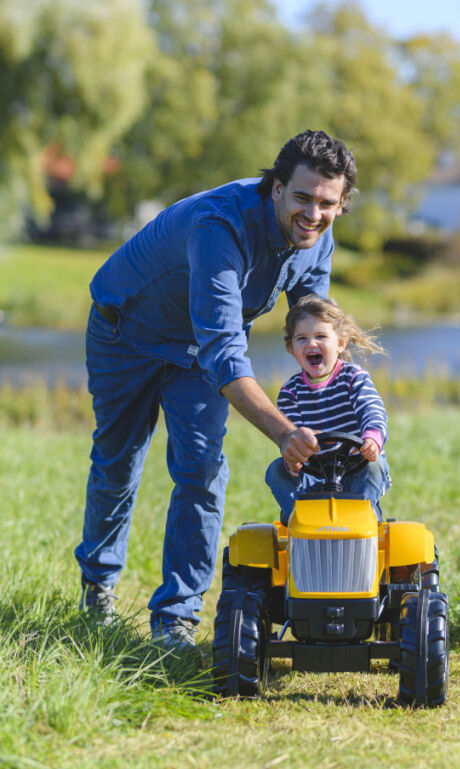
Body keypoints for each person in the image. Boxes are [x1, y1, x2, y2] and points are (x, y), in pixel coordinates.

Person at [75, 130, 356, 649]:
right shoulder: (219, 225)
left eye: (326, 204)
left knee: (201, 470)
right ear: (275, 188)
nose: (313, 214)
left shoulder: (317, 237)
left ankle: (175, 619)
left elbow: (316, 328)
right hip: (126, 332)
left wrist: (344, 401)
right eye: (301, 198)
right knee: (119, 461)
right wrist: (282, 430)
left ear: (340, 204)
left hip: (199, 350)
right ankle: (98, 588)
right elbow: (224, 350)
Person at [265, 295, 390, 523]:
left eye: (321, 336)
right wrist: (293, 458)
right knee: (276, 471)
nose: (311, 344)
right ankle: (298, 518)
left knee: (375, 465)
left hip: (355, 468)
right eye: (302, 339)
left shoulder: (354, 378)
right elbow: (291, 434)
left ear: (340, 343)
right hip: (313, 476)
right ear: (291, 348)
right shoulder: (290, 392)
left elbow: (372, 411)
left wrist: (372, 438)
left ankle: (365, 517)